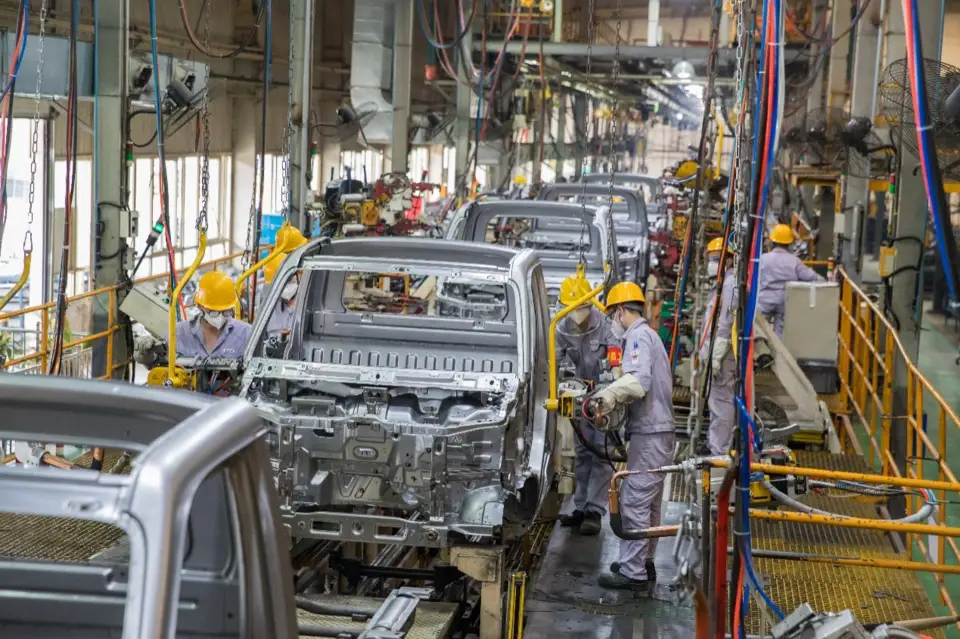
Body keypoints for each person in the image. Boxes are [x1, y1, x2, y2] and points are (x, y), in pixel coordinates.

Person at [594, 281, 675, 591]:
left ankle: (632, 572)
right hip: (658, 431)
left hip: (652, 433)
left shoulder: (639, 336)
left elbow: (638, 382)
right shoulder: (650, 335)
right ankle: (644, 562)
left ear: (619, 311)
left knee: (634, 502)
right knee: (650, 503)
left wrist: (609, 395)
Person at [555, 275, 619, 536]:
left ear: (589, 304)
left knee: (601, 453)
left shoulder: (605, 324)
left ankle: (594, 510)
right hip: (579, 395)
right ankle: (580, 506)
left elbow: (617, 359)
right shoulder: (562, 325)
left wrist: (611, 390)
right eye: (573, 309)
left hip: (604, 397)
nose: (577, 315)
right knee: (581, 452)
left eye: (581, 308)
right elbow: (555, 358)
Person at [699, 237, 738, 456]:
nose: (711, 263)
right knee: (716, 400)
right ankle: (716, 445)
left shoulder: (731, 285)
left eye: (716, 259)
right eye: (711, 258)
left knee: (721, 400)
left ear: (729, 260)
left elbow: (727, 320)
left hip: (722, 354)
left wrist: (718, 350)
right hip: (715, 352)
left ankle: (720, 452)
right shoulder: (722, 284)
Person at [758, 224, 823, 336]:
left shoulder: (763, 259)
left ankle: (760, 350)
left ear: (772, 242)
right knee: (781, 335)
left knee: (759, 330)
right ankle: (778, 352)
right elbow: (812, 277)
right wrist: (826, 280)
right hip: (785, 301)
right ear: (789, 243)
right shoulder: (795, 261)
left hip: (764, 300)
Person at [175, 270, 251, 358]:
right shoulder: (178, 333)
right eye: (214, 312)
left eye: (226, 311)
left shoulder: (246, 334)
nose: (220, 317)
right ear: (199, 306)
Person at [261, 252, 300, 337]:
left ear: (297, 275)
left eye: (289, 281)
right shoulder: (269, 300)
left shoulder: (308, 299)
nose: (286, 287)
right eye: (280, 284)